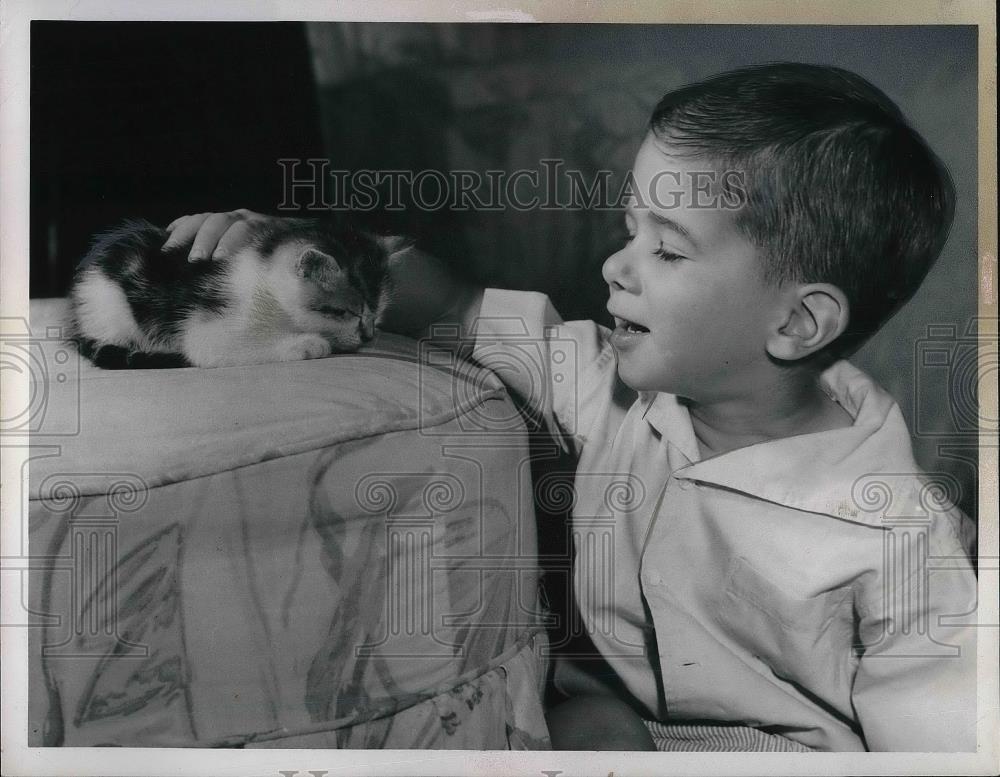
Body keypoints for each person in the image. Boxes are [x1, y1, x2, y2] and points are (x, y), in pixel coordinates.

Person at [162, 63, 978, 752]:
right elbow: (460, 305)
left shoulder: (896, 539)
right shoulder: (616, 387)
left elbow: (944, 747)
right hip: (624, 723)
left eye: (667, 248)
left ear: (798, 322)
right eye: (630, 228)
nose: (617, 265)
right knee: (575, 720)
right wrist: (284, 250)